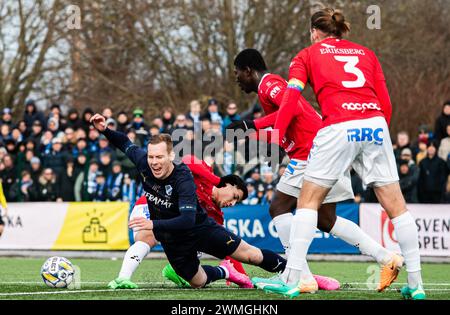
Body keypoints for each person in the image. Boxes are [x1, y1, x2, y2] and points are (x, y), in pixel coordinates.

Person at [256, 8, 425, 300]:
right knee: (398, 208)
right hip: (374, 125)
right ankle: (417, 285)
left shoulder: (306, 55)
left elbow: (292, 96)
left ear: (314, 32)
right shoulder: (366, 53)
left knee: (307, 202)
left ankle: (295, 280)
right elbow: (384, 102)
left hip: (338, 126)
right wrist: (379, 134)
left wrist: (277, 134)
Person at [231, 48, 399, 293]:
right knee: (325, 219)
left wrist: (252, 124)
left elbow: (295, 108)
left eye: (238, 74)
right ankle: (387, 257)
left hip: (311, 153)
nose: (237, 79)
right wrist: (253, 132)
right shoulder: (270, 87)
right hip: (326, 148)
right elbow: (286, 122)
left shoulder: (270, 84)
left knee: (278, 207)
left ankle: (300, 277)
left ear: (248, 70)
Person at [90, 113, 287, 291]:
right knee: (198, 281)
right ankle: (224, 272)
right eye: (151, 157)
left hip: (198, 228)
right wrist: (105, 130)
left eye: (159, 157)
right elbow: (125, 143)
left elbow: (186, 219)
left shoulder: (183, 179)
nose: (154, 162)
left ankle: (293, 272)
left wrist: (152, 224)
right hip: (173, 240)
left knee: (250, 254)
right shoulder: (146, 163)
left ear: (171, 156)